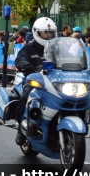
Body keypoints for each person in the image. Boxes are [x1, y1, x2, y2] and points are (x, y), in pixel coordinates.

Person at [14, 17, 57, 145]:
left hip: (55, 80)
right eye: (45, 32)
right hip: (35, 79)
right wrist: (26, 65)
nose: (48, 35)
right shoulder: (29, 47)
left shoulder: (57, 47)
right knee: (27, 95)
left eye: (51, 33)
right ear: (37, 33)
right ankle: (21, 129)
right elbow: (19, 59)